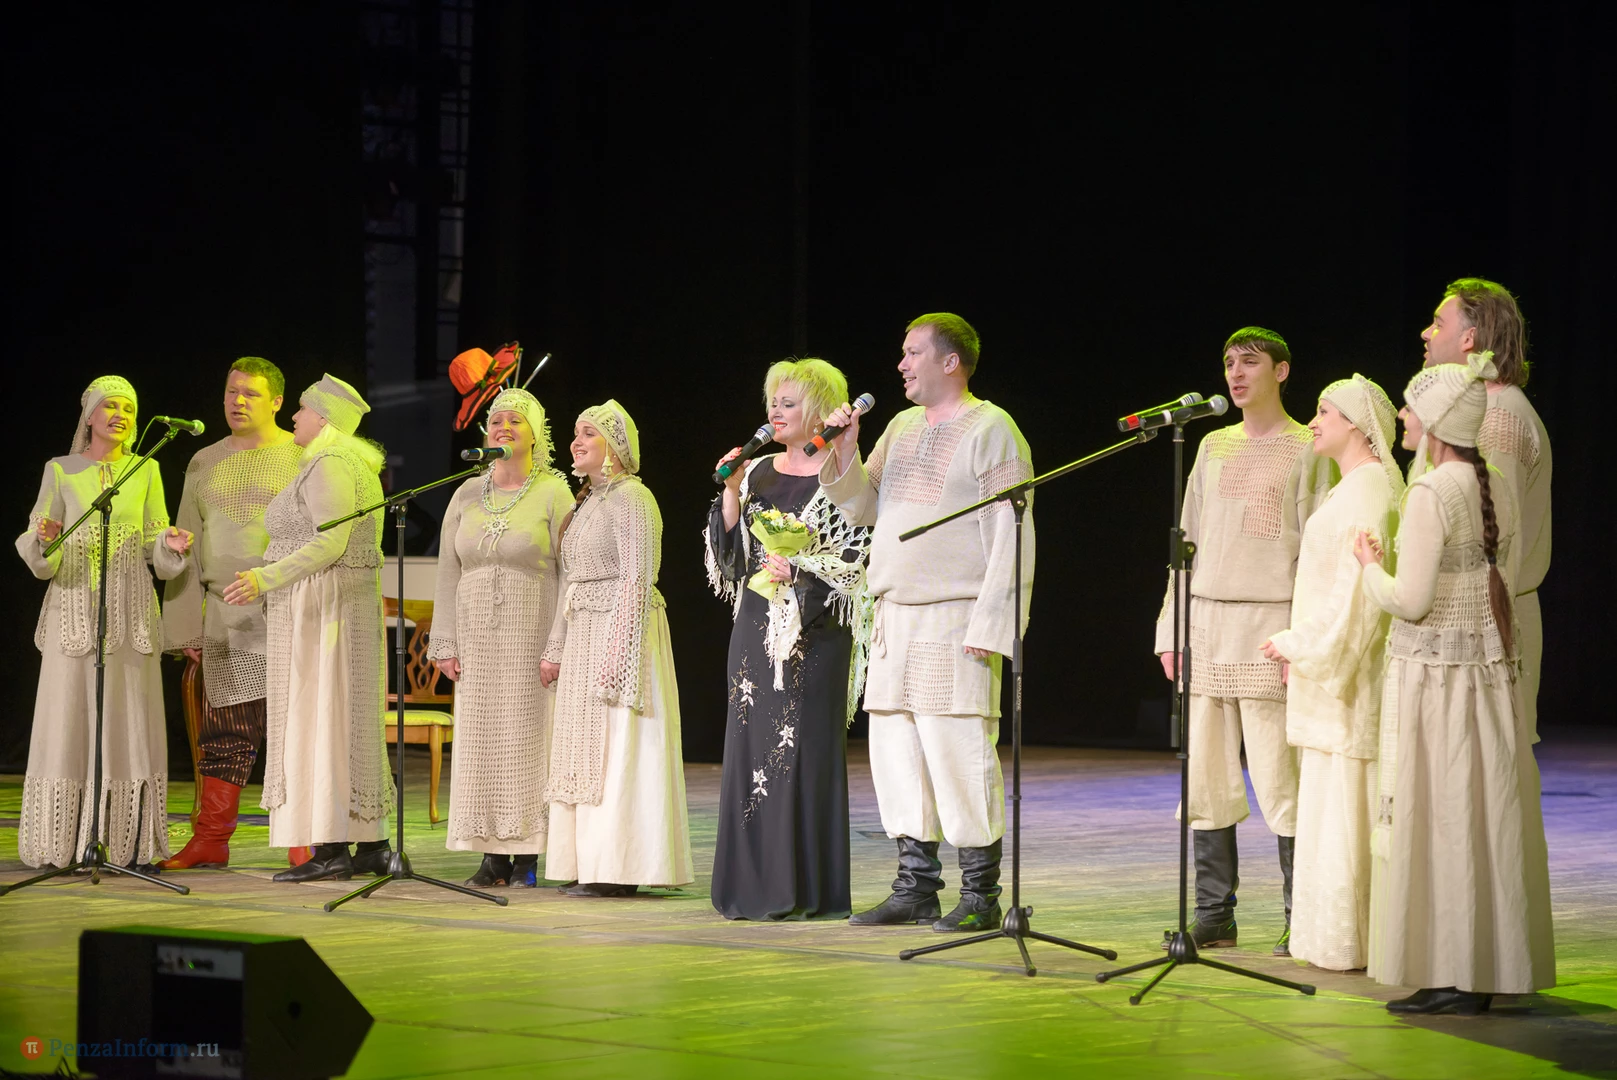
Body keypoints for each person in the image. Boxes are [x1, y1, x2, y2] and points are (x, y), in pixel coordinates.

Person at [818, 313, 1032, 933]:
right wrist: (846, 450)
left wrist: (993, 625)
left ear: (950, 361)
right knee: (897, 753)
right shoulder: (902, 426)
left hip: (955, 617)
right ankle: (915, 887)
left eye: (913, 353)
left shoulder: (993, 429)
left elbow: (1012, 536)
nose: (902, 364)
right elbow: (862, 507)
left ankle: (981, 895)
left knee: (959, 752)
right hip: (895, 614)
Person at [1355, 353, 1554, 1015]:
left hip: (1436, 686)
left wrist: (1367, 568)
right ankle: (1478, 968)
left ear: (1436, 421)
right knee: (1478, 818)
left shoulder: (1432, 491)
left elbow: (1410, 600)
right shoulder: (1491, 481)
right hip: (1483, 680)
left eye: (1410, 407)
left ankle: (1448, 973)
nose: (1402, 416)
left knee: (1439, 819)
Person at [1153, 327, 1334, 955]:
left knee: (1282, 779)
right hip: (1208, 625)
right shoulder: (1211, 445)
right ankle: (1214, 914)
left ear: (1281, 371)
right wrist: (1172, 629)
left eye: (1250, 362)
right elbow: (1185, 544)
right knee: (1206, 778)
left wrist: (1301, 640)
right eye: (1228, 361)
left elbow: (1319, 555)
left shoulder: (1309, 448)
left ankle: (1300, 914)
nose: (1235, 372)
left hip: (1269, 628)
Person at [704, 358, 872, 920]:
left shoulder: (844, 474)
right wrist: (731, 493)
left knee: (803, 752)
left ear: (820, 410)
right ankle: (752, 884)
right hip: (756, 627)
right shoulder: (757, 471)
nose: (775, 412)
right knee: (751, 749)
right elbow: (731, 563)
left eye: (789, 403)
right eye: (772, 402)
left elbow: (858, 558)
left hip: (816, 632)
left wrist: (801, 571)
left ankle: (806, 888)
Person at [222, 374, 394, 883]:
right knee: (341, 720)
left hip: (326, 609)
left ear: (324, 419)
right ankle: (369, 844)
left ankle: (332, 846)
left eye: (301, 408)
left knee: (322, 718)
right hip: (328, 605)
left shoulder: (331, 463)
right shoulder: (342, 463)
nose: (294, 417)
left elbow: (329, 543)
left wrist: (263, 578)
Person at [16, 376, 191, 870]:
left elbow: (154, 544)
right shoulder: (60, 470)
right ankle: (62, 840)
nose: (120, 415)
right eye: (111, 406)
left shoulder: (146, 469)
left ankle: (126, 842)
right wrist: (46, 538)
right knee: (68, 715)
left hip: (129, 614)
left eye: (129, 408)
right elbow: (38, 548)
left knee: (127, 718)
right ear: (89, 416)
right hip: (73, 610)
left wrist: (169, 546)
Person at [1260, 375, 1402, 970]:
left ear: (1357, 424)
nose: (1313, 422)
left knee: (1348, 801)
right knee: (1329, 799)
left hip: (1350, 677)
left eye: (1325, 411)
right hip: (1328, 675)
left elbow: (1357, 598)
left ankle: (1354, 941)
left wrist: (1301, 646)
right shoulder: (1351, 488)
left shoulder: (1369, 492)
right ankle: (1329, 938)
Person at [539, 400, 694, 897]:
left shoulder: (633, 498)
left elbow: (636, 578)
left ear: (616, 446)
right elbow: (570, 583)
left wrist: (619, 657)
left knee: (619, 746)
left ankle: (620, 868)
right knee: (585, 750)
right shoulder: (588, 503)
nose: (576, 442)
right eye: (575, 432)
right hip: (585, 631)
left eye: (589, 433)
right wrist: (557, 648)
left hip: (622, 633)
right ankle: (590, 863)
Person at [159, 357, 305, 870]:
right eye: (231, 391)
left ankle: (303, 840)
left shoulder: (301, 455)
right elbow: (186, 545)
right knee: (224, 730)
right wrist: (186, 627)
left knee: (296, 728)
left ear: (277, 402)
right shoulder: (203, 461)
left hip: (288, 610)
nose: (238, 401)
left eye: (250, 393)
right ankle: (211, 838)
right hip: (223, 614)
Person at [430, 388, 573, 888]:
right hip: (476, 641)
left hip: (530, 636)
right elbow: (447, 569)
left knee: (527, 742)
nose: (503, 427)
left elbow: (570, 573)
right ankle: (491, 853)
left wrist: (558, 644)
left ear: (536, 435)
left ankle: (527, 852)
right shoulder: (466, 493)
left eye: (515, 421)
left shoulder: (554, 492)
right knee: (481, 745)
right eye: (496, 420)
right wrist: (443, 640)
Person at [1420, 278, 1550, 741]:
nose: (1426, 333)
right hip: (1477, 619)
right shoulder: (1480, 410)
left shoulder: (1498, 417)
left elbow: (1494, 534)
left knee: (1492, 763)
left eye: (1438, 324)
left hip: (1491, 621)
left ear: (1469, 338)